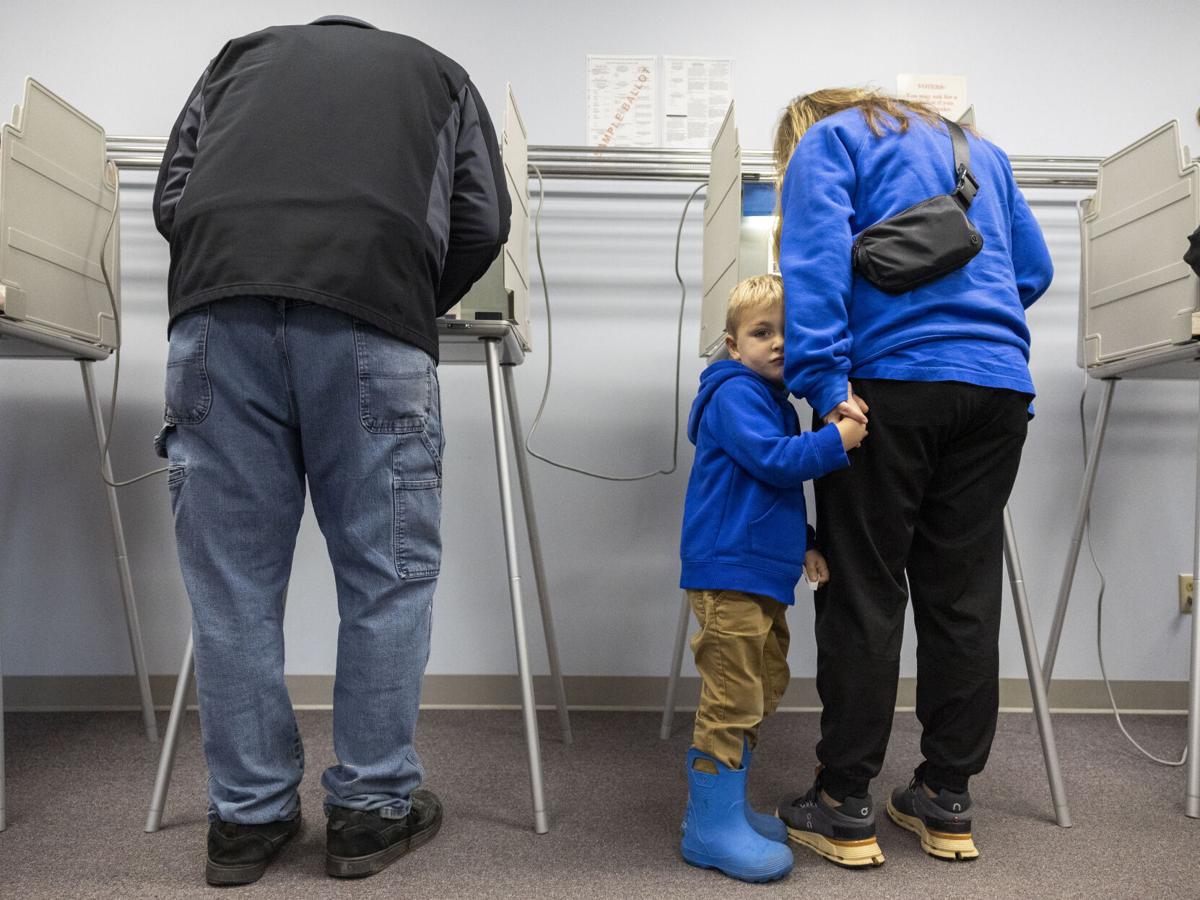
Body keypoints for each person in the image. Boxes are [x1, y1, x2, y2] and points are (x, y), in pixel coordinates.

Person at [152, 16, 510, 886]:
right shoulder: (443, 73)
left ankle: (246, 818)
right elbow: (483, 219)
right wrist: (408, 295)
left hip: (217, 320)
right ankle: (370, 810)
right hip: (372, 321)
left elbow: (172, 200)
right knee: (387, 577)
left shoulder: (233, 58)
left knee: (230, 586)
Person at [769, 88, 1053, 866]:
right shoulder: (978, 152)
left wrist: (828, 387)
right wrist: (974, 334)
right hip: (997, 389)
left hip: (887, 388)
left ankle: (843, 801)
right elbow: (1033, 269)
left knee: (864, 585)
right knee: (962, 592)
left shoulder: (828, 141)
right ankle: (946, 797)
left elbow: (816, 265)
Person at [677, 274, 866, 883]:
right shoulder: (734, 394)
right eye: (763, 333)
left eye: (790, 332)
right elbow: (773, 463)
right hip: (729, 571)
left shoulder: (773, 402)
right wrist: (834, 440)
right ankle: (707, 828)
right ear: (733, 345)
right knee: (732, 694)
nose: (779, 344)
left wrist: (806, 543)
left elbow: (771, 492)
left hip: (760, 573)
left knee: (764, 681)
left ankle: (727, 806)